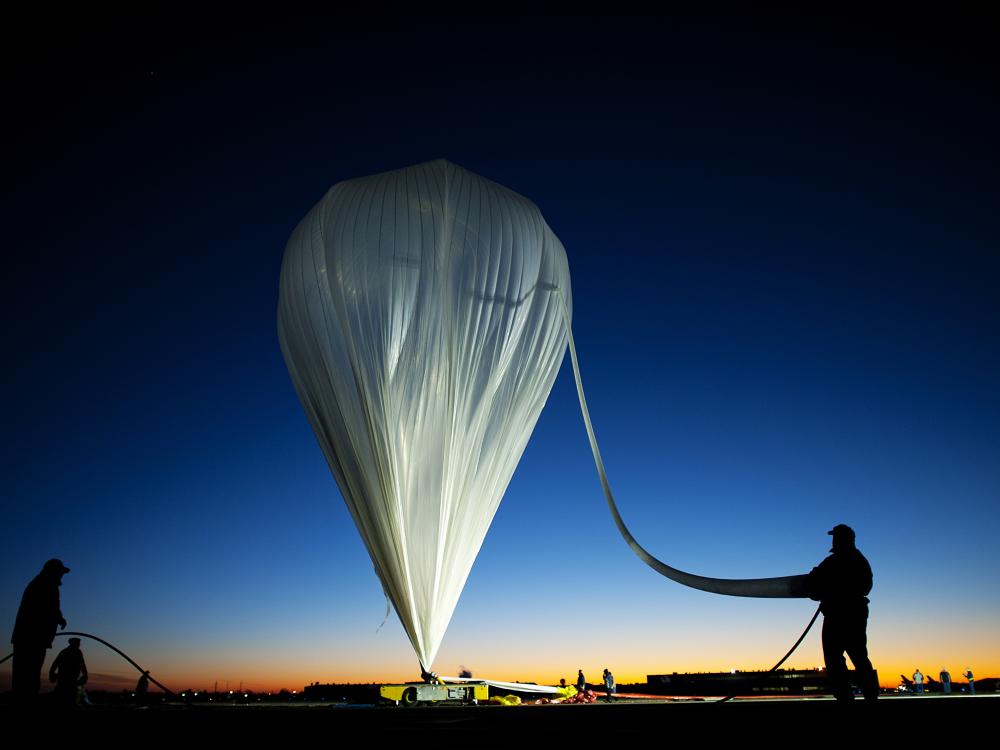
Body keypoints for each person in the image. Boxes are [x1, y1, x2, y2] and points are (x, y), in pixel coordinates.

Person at [806, 525, 878, 701]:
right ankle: (859, 696)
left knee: (845, 657)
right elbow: (814, 586)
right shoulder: (848, 560)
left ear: (845, 539)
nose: (834, 540)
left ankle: (855, 698)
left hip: (843, 615)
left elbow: (864, 587)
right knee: (848, 657)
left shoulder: (841, 561)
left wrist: (826, 585)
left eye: (836, 537)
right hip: (846, 613)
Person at [10, 559, 70, 704]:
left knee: (25, 675)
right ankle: (24, 703)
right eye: (60, 572)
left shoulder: (42, 583)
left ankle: (23, 701)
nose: (62, 575)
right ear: (53, 571)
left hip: (30, 637)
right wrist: (58, 618)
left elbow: (50, 607)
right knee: (28, 675)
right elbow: (47, 607)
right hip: (32, 638)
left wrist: (58, 618)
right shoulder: (46, 584)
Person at [48, 637, 88, 708]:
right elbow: (55, 663)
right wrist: (51, 673)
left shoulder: (78, 652)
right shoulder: (65, 652)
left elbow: (82, 664)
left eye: (78, 643)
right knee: (62, 692)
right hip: (64, 677)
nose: (78, 645)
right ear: (72, 643)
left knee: (70, 693)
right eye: (77, 643)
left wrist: (85, 675)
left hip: (72, 677)